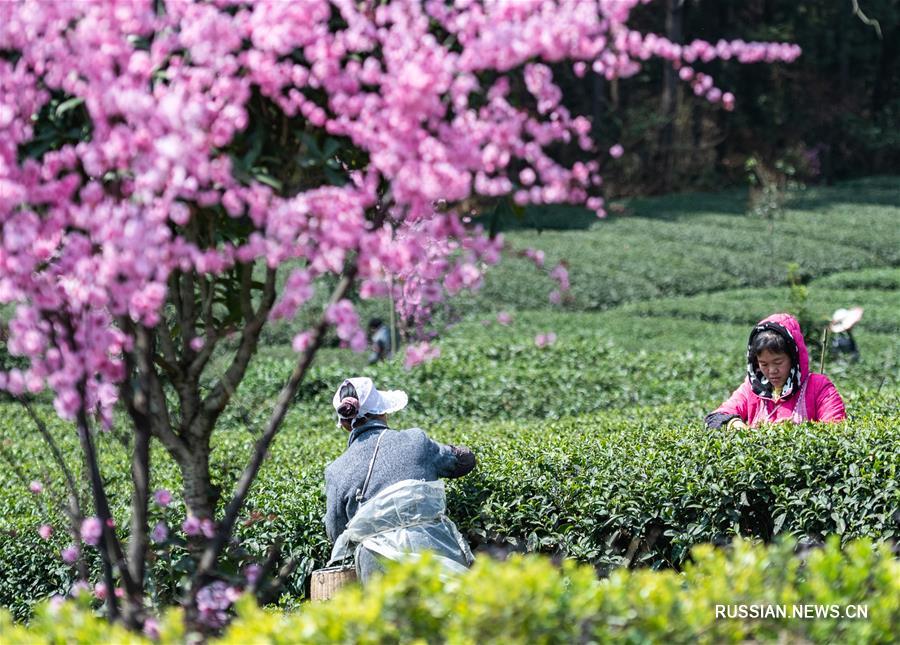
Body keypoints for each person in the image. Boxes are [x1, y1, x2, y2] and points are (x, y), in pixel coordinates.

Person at [324, 377, 476, 583]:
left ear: (344, 424)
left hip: (376, 565)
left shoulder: (335, 471)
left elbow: (336, 533)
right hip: (431, 552)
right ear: (382, 412)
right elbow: (462, 462)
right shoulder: (416, 441)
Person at [705, 313, 846, 429]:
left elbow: (836, 429)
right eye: (764, 364)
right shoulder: (752, 388)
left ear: (793, 358)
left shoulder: (818, 386)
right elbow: (715, 418)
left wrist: (798, 431)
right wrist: (736, 425)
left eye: (778, 362)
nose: (772, 371)